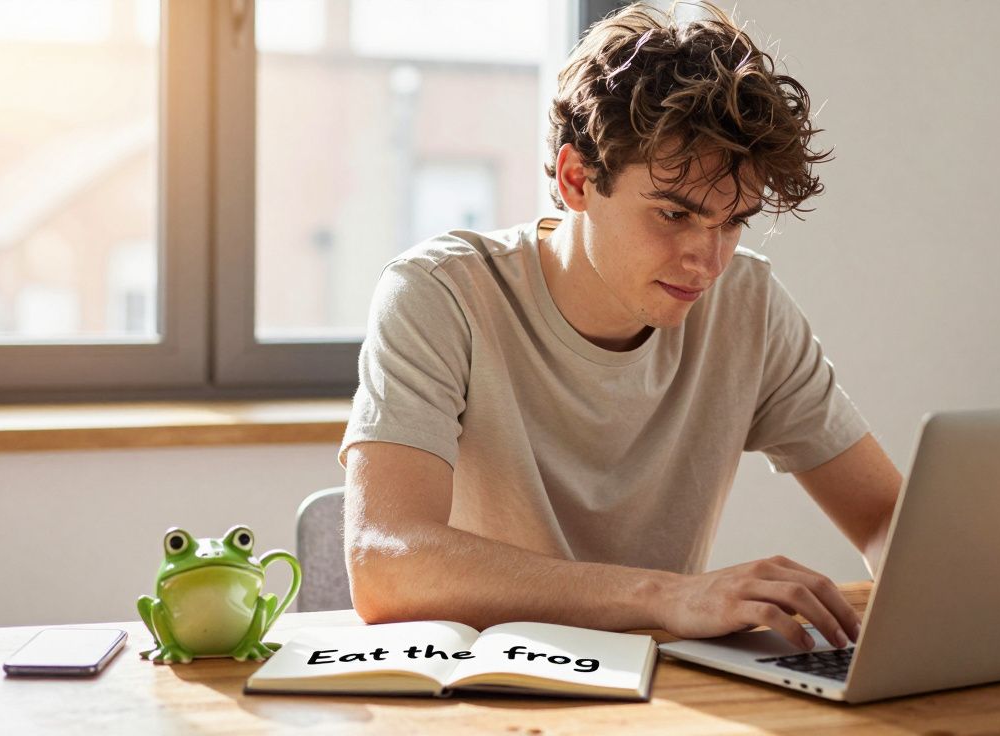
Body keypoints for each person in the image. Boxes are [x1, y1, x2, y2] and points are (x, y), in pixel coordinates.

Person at [339, 1, 902, 653]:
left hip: (666, 689)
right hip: (487, 692)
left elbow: (887, 517)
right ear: (578, 179)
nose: (707, 260)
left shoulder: (748, 303)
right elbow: (386, 563)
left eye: (732, 221)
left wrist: (938, 600)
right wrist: (665, 594)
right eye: (673, 215)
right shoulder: (441, 294)